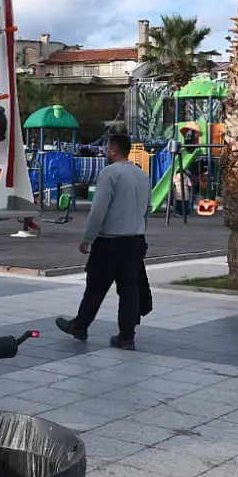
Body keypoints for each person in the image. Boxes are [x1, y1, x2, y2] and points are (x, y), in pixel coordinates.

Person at [56, 134, 153, 350]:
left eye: (107, 148)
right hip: (135, 241)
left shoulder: (110, 173)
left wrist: (88, 239)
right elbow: (148, 208)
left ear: (113, 151)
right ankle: (126, 336)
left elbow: (99, 210)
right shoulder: (142, 175)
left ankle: (80, 326)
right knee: (129, 290)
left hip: (110, 242)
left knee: (96, 287)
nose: (105, 152)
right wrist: (138, 227)